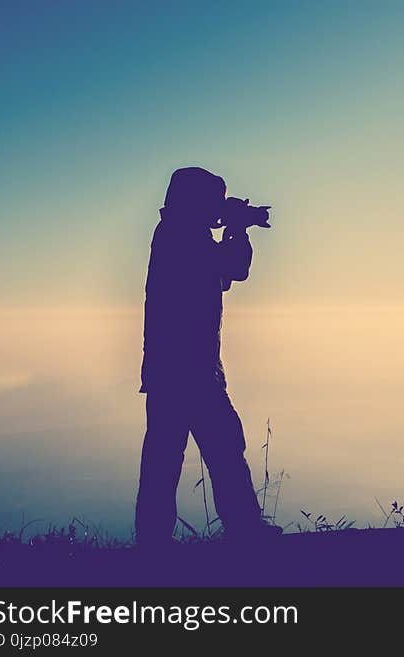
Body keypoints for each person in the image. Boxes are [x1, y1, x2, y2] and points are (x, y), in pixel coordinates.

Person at [135, 166, 278, 547]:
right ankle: (244, 532)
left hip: (175, 371)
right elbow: (235, 268)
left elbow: (223, 277)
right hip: (192, 372)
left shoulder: (176, 234)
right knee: (221, 450)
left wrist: (231, 226)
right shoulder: (183, 237)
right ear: (195, 202)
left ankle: (154, 544)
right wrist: (237, 228)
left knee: (167, 459)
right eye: (213, 201)